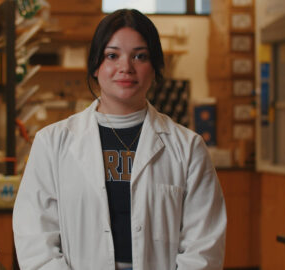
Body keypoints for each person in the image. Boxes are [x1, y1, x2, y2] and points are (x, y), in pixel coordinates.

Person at [13, 9, 226, 270]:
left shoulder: (188, 148)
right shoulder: (52, 143)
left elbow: (203, 246)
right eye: (112, 55)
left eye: (140, 56)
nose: (126, 67)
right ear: (95, 66)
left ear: (155, 67)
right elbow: (35, 237)